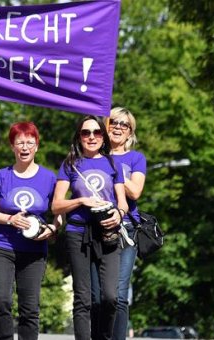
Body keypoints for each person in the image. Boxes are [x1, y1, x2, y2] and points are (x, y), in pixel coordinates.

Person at [0, 122, 62, 340]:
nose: (25, 147)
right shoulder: (2, 176)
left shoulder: (49, 178)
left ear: (37, 146)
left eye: (30, 142)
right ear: (12, 147)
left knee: (29, 308)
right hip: (1, 245)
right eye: (20, 143)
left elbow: (59, 211)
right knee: (0, 299)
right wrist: (10, 219)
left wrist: (53, 228)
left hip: (34, 250)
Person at [52, 115, 128, 340]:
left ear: (103, 137)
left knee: (110, 297)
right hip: (78, 233)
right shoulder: (70, 164)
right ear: (79, 137)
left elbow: (122, 202)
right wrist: (80, 201)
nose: (92, 137)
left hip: (107, 233)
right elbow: (56, 205)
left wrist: (118, 214)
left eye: (96, 132)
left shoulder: (113, 163)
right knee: (83, 299)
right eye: (86, 133)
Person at [90, 108, 147, 340]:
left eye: (125, 125)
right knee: (97, 297)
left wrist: (111, 174)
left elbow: (135, 192)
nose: (118, 127)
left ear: (130, 132)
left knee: (119, 295)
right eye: (114, 122)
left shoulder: (135, 158)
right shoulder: (92, 154)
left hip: (125, 230)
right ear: (105, 124)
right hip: (93, 228)